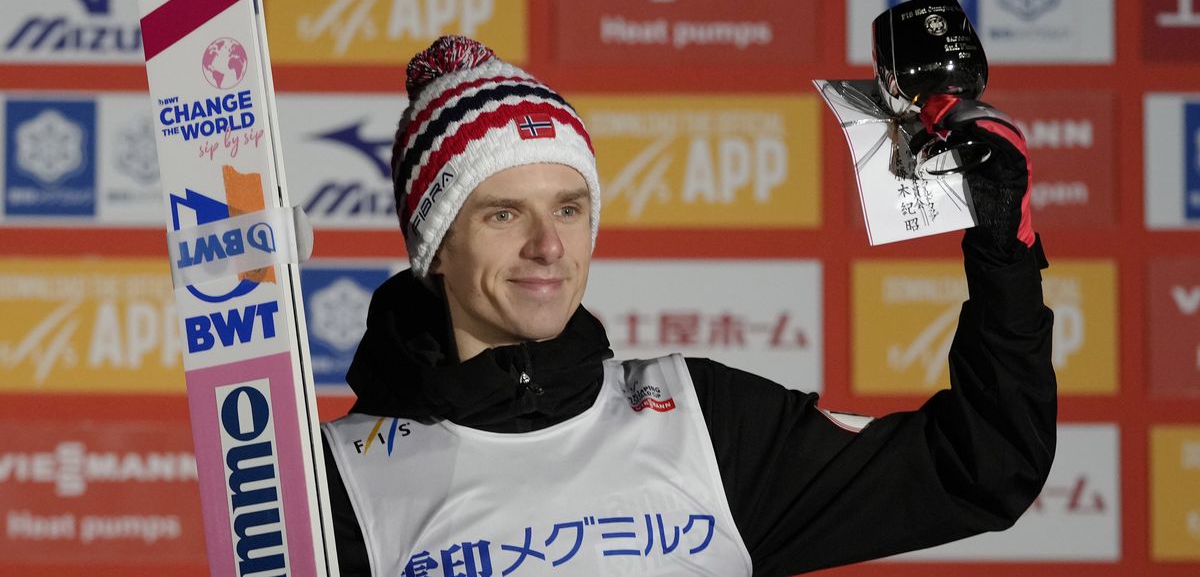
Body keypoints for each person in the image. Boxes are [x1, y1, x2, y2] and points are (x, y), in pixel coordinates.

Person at [320, 34, 1056, 576]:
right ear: (436, 247)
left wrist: (1003, 253)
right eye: (503, 214)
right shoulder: (334, 487)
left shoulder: (704, 422)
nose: (549, 247)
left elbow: (981, 467)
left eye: (570, 209)